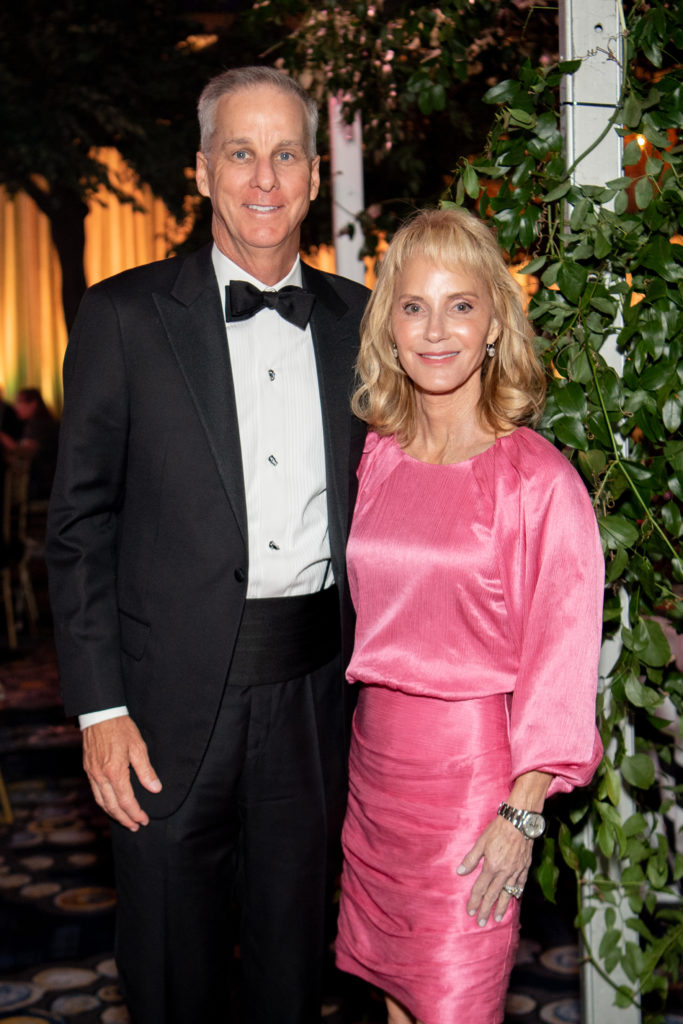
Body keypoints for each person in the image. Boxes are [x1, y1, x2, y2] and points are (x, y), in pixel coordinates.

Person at [46, 66, 368, 1024]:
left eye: (282, 156)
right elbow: (77, 528)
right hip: (162, 707)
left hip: (317, 702)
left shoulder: (365, 323)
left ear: (314, 176)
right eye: (239, 153)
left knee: (292, 973)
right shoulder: (121, 317)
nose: (262, 179)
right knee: (173, 976)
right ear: (199, 170)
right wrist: (99, 708)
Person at [334, 207, 604, 1024]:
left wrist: (521, 813)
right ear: (389, 326)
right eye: (413, 306)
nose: (435, 330)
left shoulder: (537, 481)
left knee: (453, 1005)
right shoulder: (378, 455)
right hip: (375, 771)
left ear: (494, 321)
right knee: (386, 1000)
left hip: (472, 790)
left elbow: (560, 662)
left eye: (460, 304)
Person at [0, 387, 59, 501]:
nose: (16, 407)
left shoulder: (39, 425)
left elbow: (26, 452)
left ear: (33, 404)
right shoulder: (36, 424)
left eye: (20, 402)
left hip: (42, 483)